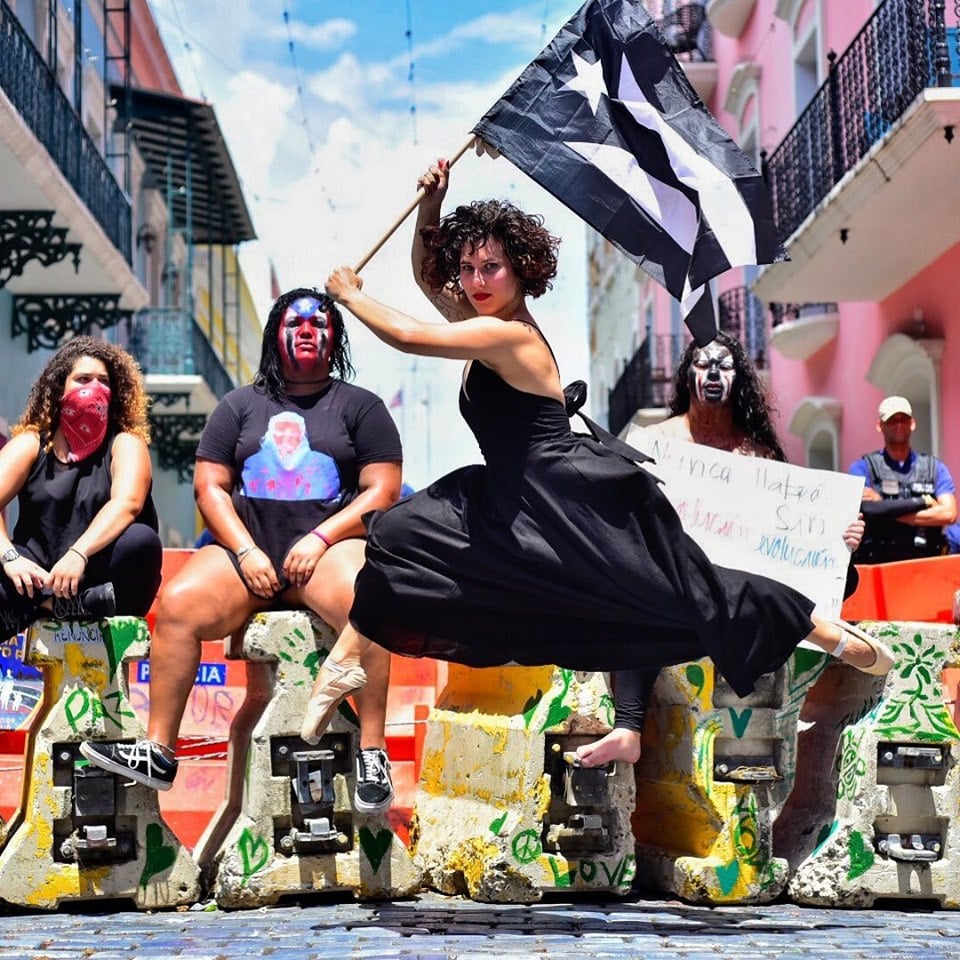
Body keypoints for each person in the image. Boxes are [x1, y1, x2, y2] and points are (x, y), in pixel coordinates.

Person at [299, 159, 894, 763]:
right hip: (514, 495)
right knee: (403, 532)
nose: (477, 280)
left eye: (492, 268)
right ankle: (351, 658)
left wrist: (351, 296)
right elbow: (431, 280)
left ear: (520, 273)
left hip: (569, 494)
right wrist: (433, 205)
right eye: (470, 267)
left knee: (680, 592)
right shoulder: (482, 320)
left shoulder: (509, 336)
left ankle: (821, 630)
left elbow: (408, 334)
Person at [81, 290, 403, 815]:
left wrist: (323, 537)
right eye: (294, 321)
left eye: (319, 322)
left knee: (370, 599)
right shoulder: (239, 405)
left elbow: (383, 490)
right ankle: (160, 750)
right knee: (180, 604)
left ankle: (372, 751)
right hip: (245, 553)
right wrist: (247, 549)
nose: (306, 329)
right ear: (276, 332)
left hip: (326, 554)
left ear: (335, 337)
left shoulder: (360, 406)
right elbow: (209, 486)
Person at [579, 334, 866, 766]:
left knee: (848, 576)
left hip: (738, 586)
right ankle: (628, 727)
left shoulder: (759, 454)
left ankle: (823, 632)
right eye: (703, 363)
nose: (713, 373)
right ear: (687, 374)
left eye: (725, 365)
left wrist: (842, 538)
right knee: (640, 598)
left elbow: (792, 535)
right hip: (674, 583)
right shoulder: (656, 442)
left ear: (741, 379)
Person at [0, 336, 162, 639]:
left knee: (141, 542)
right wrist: (9, 557)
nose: (94, 388)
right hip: (34, 577)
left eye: (104, 381)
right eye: (83, 379)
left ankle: (49, 606)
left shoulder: (125, 443)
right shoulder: (31, 444)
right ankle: (48, 603)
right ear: (60, 388)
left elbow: (128, 503)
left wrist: (80, 553)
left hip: (99, 575)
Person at [848, 396, 957, 564]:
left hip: (927, 563)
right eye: (892, 420)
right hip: (878, 564)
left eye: (903, 419)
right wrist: (925, 502)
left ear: (912, 423)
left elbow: (949, 514)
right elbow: (867, 509)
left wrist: (884, 508)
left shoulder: (935, 468)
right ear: (880, 426)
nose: (898, 425)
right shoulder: (863, 468)